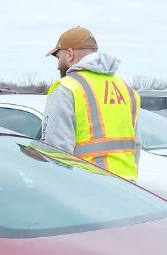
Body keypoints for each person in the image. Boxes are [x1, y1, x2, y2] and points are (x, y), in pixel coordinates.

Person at [42, 27, 141, 180]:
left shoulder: (67, 88)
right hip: (127, 189)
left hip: (86, 188)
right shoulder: (127, 90)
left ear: (70, 54)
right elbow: (135, 148)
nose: (57, 65)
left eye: (58, 58)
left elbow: (57, 153)